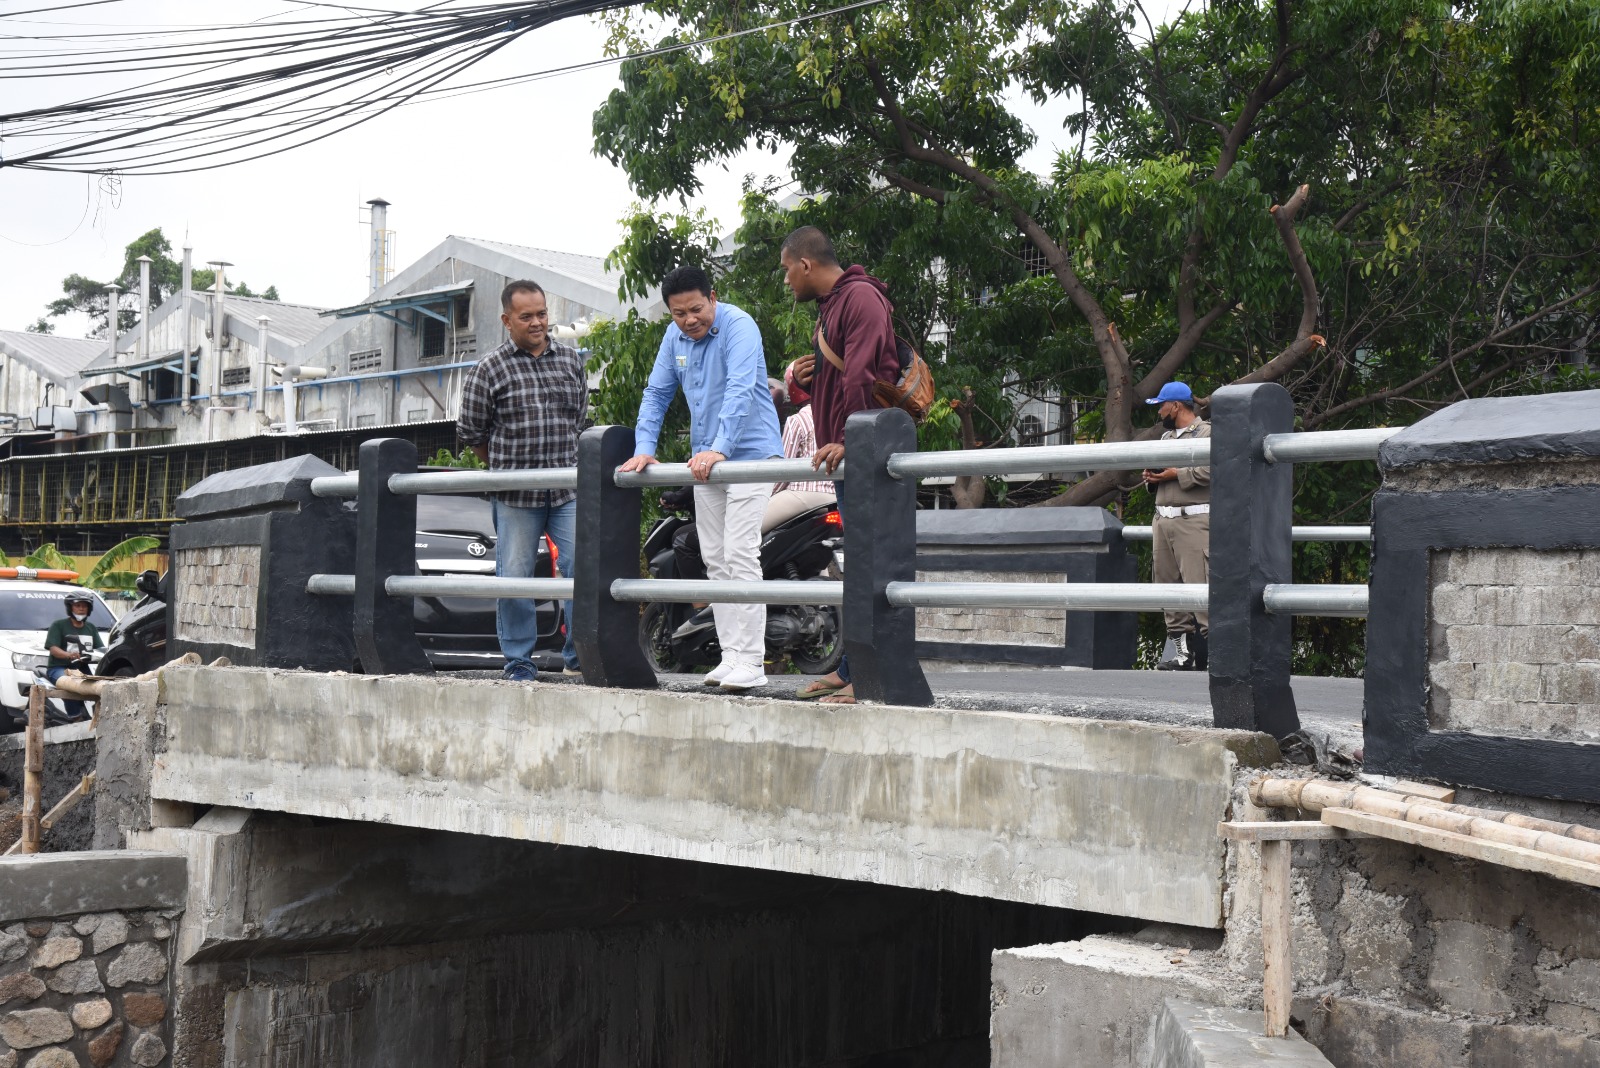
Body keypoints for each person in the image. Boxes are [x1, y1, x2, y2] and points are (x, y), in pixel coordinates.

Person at [619, 265, 783, 692]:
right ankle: (732, 656)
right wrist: (643, 448)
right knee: (714, 558)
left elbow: (740, 389)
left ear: (713, 297)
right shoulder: (673, 338)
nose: (689, 320)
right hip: (706, 462)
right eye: (679, 314)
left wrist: (721, 447)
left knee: (741, 553)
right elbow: (656, 393)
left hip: (750, 456)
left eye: (696, 309)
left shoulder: (738, 326)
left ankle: (753, 661)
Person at [778, 225, 901, 704]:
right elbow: (837, 382)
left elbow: (864, 378)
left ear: (805, 264)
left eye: (787, 269)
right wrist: (799, 380)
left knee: (871, 567)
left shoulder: (860, 297)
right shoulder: (833, 306)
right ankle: (850, 670)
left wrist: (851, 441)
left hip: (866, 454)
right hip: (849, 455)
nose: (786, 280)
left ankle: (868, 679)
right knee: (859, 567)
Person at [458, 279, 587, 683]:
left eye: (542, 313)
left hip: (567, 489)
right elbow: (471, 433)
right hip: (515, 495)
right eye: (526, 316)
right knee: (515, 577)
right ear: (507, 320)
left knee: (583, 568)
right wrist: (505, 468)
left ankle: (579, 656)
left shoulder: (570, 360)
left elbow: (579, 421)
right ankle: (519, 663)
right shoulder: (489, 369)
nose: (537, 322)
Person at [1142, 380, 1211, 671]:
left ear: (1176, 406)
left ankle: (1220, 657)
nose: (1159, 412)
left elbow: (1215, 470)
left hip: (1193, 520)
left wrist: (1175, 474)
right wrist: (1152, 477)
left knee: (1201, 587)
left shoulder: (1208, 433)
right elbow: (1160, 476)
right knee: (1167, 589)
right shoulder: (1165, 438)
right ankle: (1183, 655)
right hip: (1162, 520)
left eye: (1161, 406)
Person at [763, 359, 836, 532]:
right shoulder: (838, 414)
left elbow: (783, 473)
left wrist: (765, 496)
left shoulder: (797, 420)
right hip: (836, 495)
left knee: (744, 530)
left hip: (803, 493)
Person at [45, 591, 102, 721]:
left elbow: (100, 649)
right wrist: (69, 655)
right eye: (77, 605)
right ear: (70, 607)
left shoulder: (91, 628)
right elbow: (53, 649)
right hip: (58, 668)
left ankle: (98, 716)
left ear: (89, 609)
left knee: (100, 686)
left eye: (84, 606)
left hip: (82, 669)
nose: (81, 609)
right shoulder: (58, 625)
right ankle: (75, 717)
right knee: (69, 683)